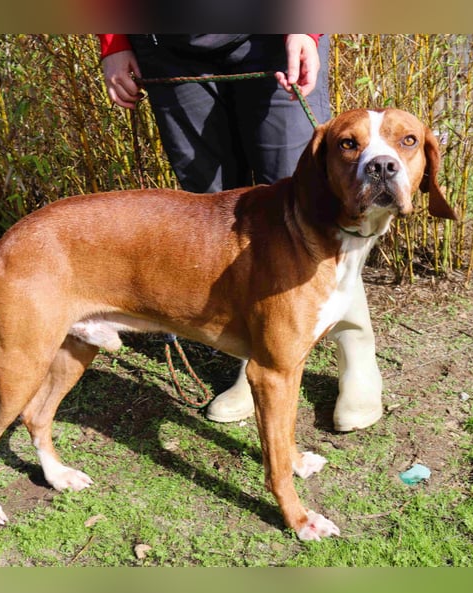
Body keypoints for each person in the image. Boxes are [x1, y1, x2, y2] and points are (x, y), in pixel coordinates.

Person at [98, 34, 331, 422]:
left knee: (310, 204)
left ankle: (355, 353)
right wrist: (114, 41)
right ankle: (254, 357)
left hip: (272, 35)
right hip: (169, 45)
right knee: (213, 214)